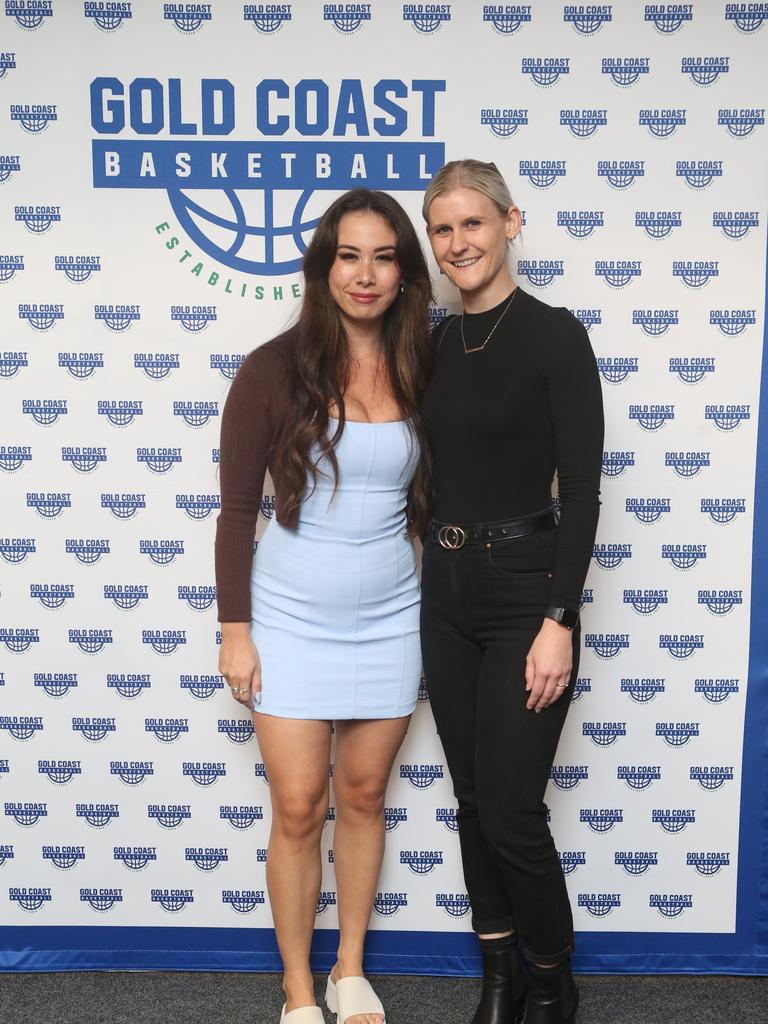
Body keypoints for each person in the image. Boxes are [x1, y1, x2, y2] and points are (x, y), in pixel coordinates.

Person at [215, 189, 433, 1024]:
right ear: (323, 266)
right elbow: (239, 513)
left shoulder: (424, 363)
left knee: (367, 795)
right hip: (289, 620)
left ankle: (349, 971)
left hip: (391, 618)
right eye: (349, 256)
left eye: (383, 257)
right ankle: (299, 989)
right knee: (301, 807)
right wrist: (237, 634)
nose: (366, 275)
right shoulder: (272, 369)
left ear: (404, 271)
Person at [419, 160, 604, 1024]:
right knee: (468, 799)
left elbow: (584, 488)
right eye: (442, 229)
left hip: (526, 588)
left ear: (509, 222)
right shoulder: (432, 342)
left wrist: (559, 618)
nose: (457, 243)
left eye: (472, 225)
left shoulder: (555, 335)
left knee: (511, 808)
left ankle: (553, 976)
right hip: (444, 593)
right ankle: (500, 980)